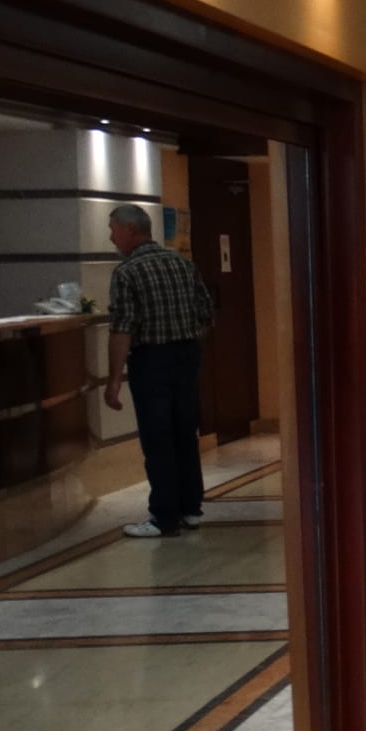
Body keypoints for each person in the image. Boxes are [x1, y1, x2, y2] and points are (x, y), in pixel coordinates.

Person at [101, 202, 214, 538]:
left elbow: (122, 328)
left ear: (130, 230)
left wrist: (113, 381)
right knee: (184, 433)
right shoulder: (182, 264)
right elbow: (206, 312)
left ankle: (164, 517)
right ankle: (190, 508)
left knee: (158, 437)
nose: (111, 238)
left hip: (151, 361)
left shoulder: (127, 272)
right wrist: (186, 342)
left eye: (113, 230)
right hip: (187, 356)